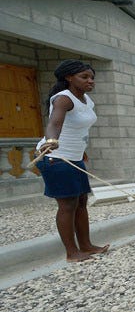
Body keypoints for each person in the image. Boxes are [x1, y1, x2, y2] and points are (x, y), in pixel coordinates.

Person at [35, 60, 109, 262]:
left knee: (82, 201)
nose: (90, 81)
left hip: (75, 157)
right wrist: (51, 141)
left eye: (92, 77)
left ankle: (86, 245)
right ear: (68, 77)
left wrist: (81, 151)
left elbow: (79, 128)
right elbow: (54, 122)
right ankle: (72, 253)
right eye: (84, 77)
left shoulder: (86, 99)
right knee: (67, 205)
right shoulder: (63, 99)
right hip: (56, 158)